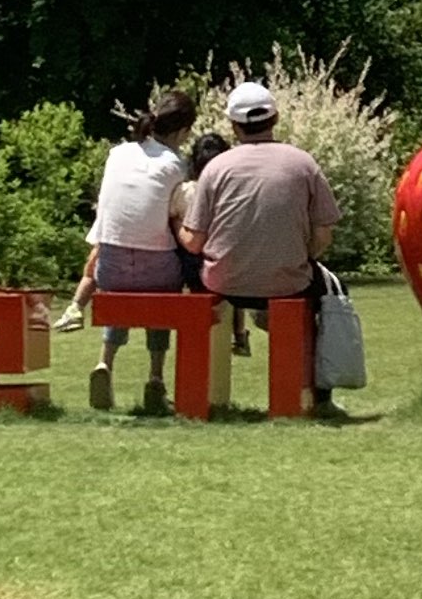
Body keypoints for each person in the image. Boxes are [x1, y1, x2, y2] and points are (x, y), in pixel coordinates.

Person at [179, 80, 343, 410]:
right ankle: (319, 394)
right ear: (276, 118)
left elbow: (194, 241)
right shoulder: (303, 163)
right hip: (288, 282)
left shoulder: (215, 168)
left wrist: (174, 228)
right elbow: (324, 232)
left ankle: (201, 395)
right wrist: (301, 257)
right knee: (331, 295)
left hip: (224, 282)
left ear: (233, 125)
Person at [79, 88, 197, 413]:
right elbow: (177, 212)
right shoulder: (175, 165)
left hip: (111, 267)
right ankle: (156, 378)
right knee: (166, 284)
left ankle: (105, 362)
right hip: (157, 271)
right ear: (184, 131)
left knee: (121, 286)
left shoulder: (117, 154)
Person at [175, 131, 250, 357]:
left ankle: (213, 337)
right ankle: (239, 333)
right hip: (225, 260)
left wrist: (179, 228)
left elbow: (174, 218)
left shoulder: (186, 191)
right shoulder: (233, 192)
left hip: (191, 260)